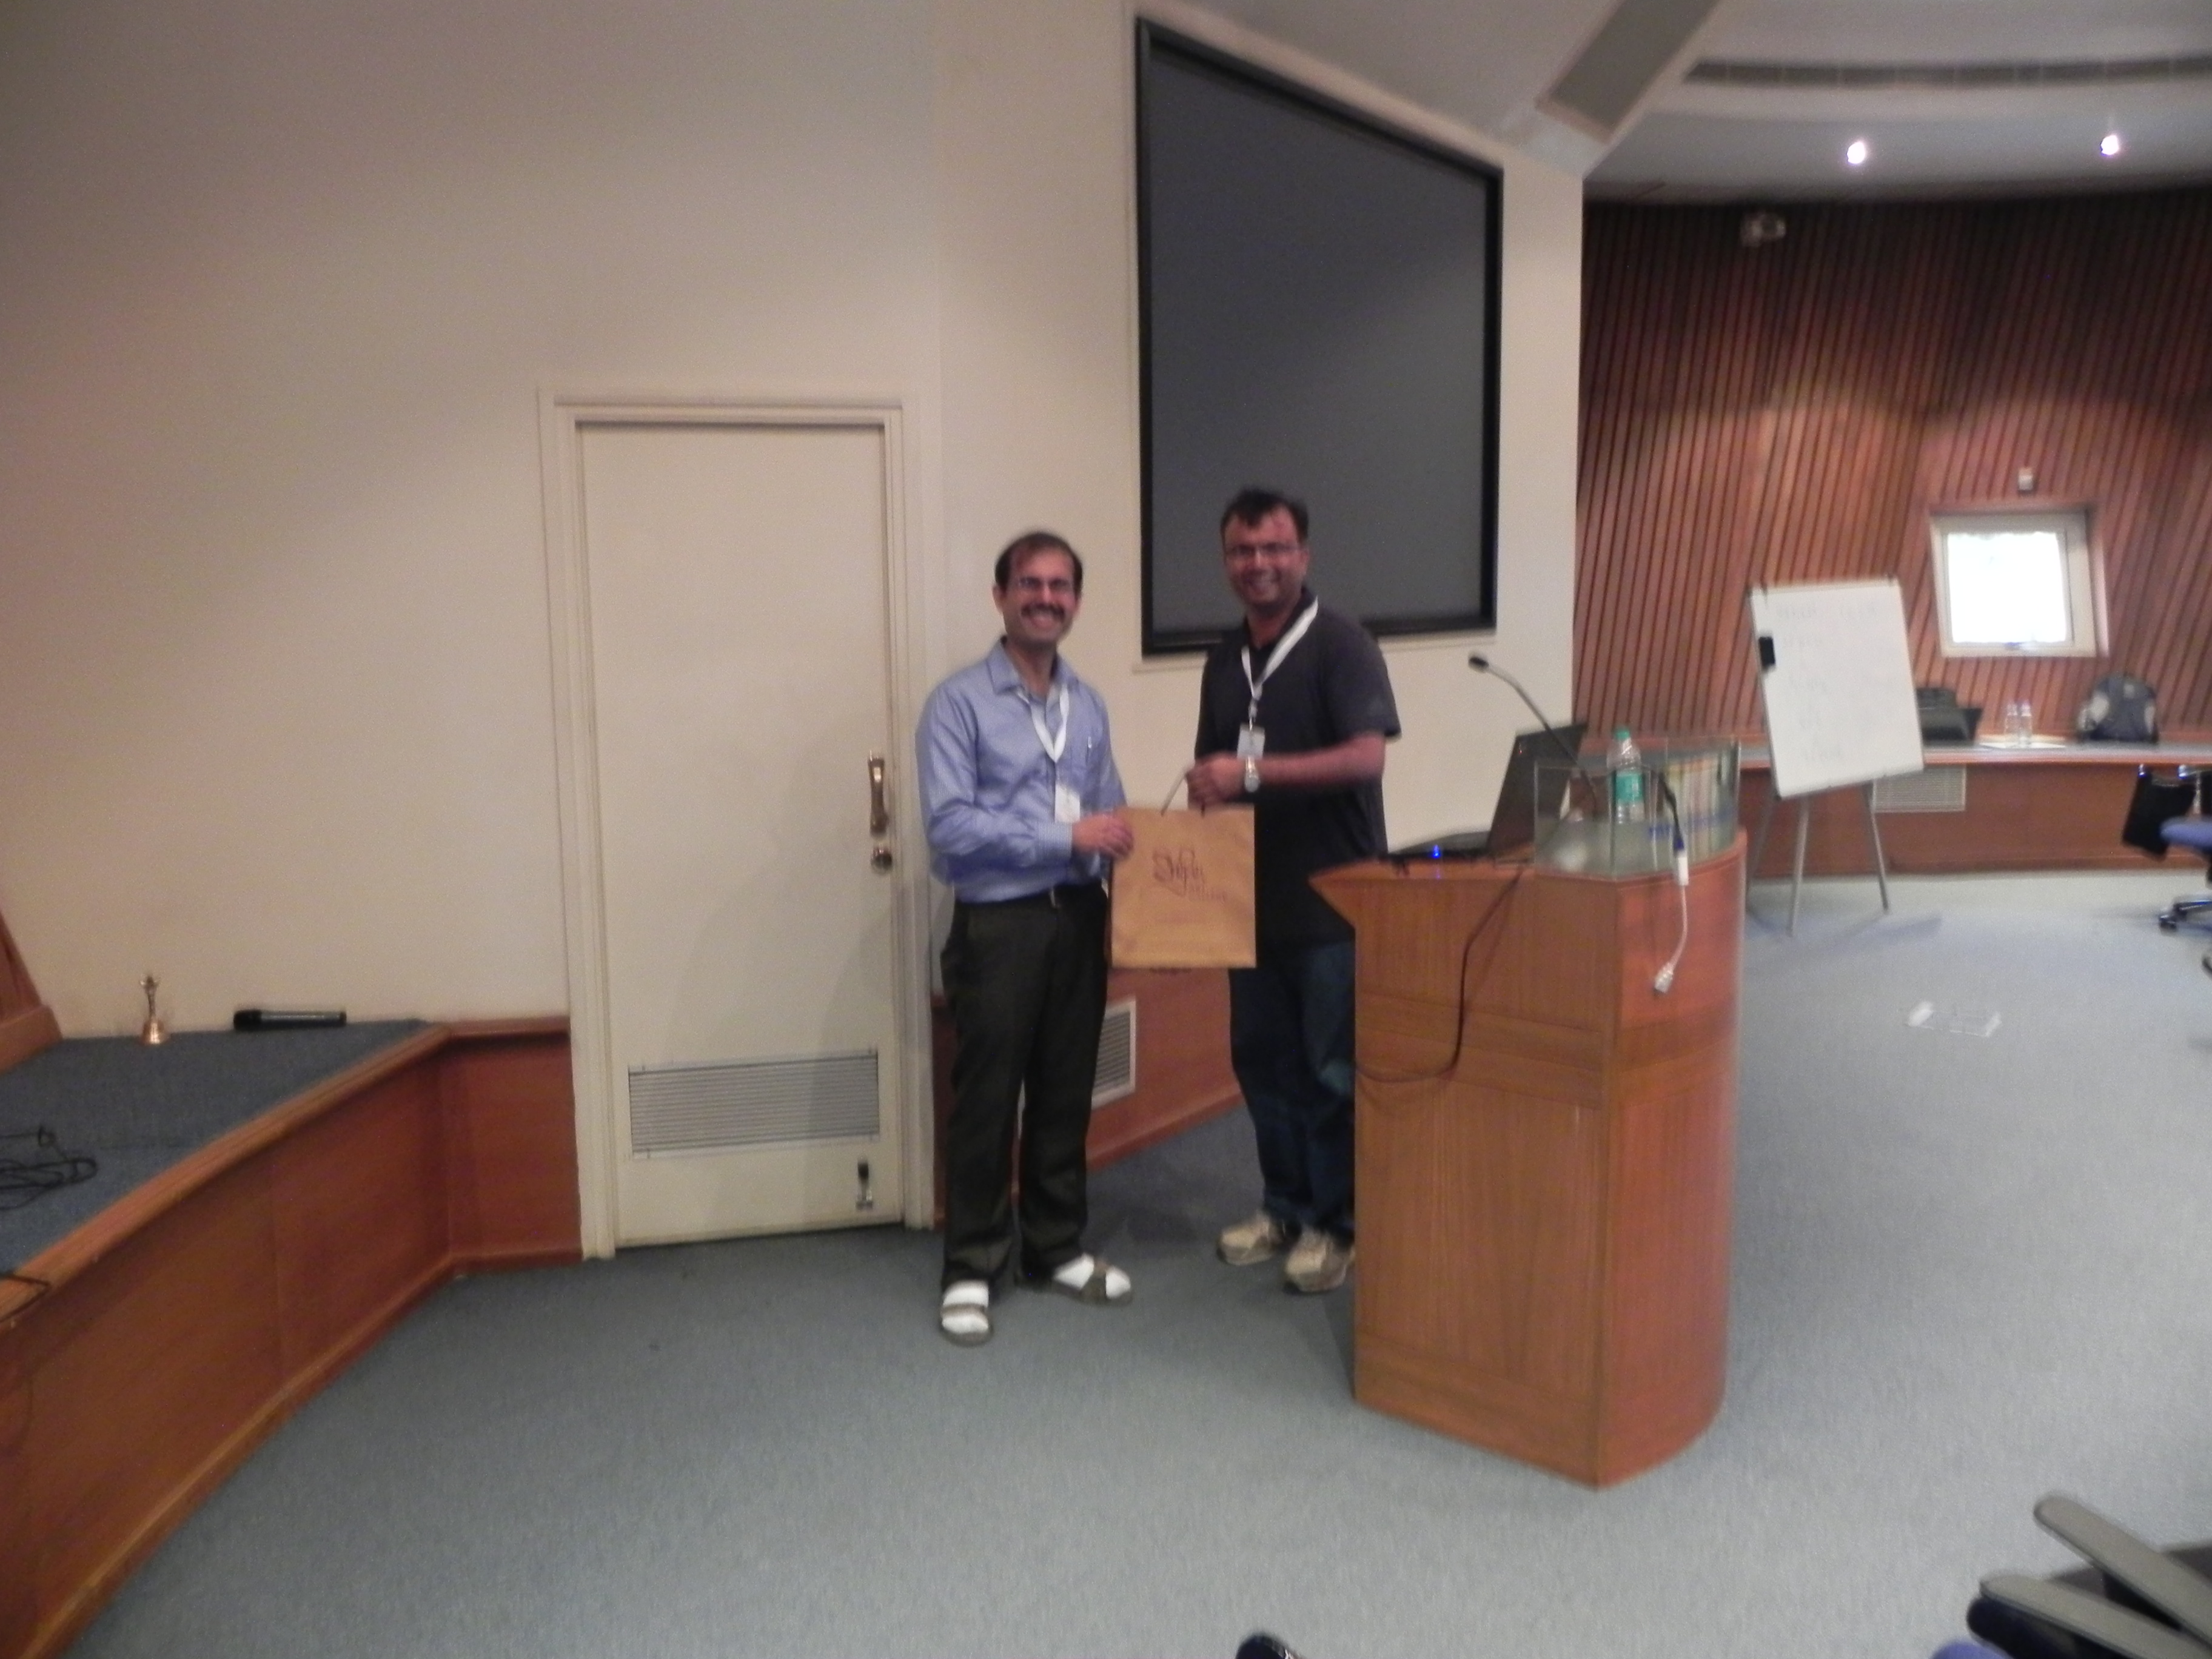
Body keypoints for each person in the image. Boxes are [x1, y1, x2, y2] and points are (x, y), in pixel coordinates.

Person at [916, 530, 1137, 1346]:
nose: (1047, 598)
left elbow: (1108, 812)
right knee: (987, 1098)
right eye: (1031, 584)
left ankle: (1054, 1247)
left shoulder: (1088, 703)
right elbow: (950, 825)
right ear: (1001, 596)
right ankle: (971, 1266)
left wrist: (1140, 852)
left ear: (1075, 601)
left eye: (1060, 587)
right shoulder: (958, 704)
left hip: (1077, 918)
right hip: (1000, 924)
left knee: (1064, 1089)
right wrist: (1065, 839)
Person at [1185, 488, 1399, 1295]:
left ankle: (1336, 1225)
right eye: (1243, 551)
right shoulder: (1222, 660)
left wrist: (1248, 773)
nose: (1259, 564)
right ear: (1227, 561)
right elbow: (1216, 773)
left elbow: (1366, 758)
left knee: (1329, 1072)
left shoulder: (1343, 645)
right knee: (1262, 1065)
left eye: (1274, 548)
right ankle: (1282, 1206)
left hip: (1332, 904)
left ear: (1303, 556)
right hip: (1246, 906)